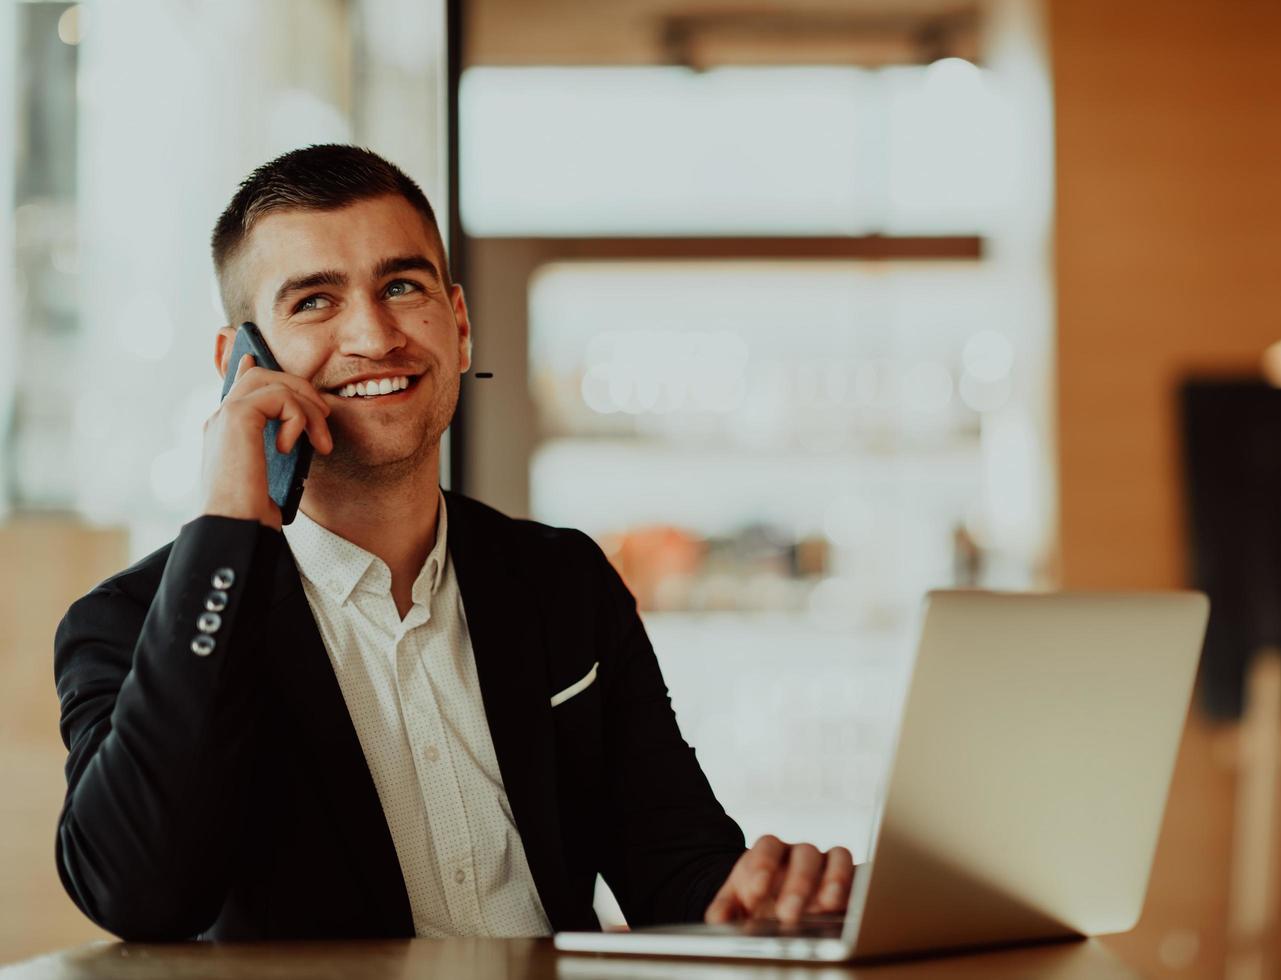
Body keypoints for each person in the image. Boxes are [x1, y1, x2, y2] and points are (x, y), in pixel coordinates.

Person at [52, 144, 854, 942]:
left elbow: (674, 865)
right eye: (314, 303)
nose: (373, 333)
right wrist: (230, 518)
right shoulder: (126, 624)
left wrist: (756, 899)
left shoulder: (562, 579)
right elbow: (138, 894)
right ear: (239, 365)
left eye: (401, 286)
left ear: (460, 329)